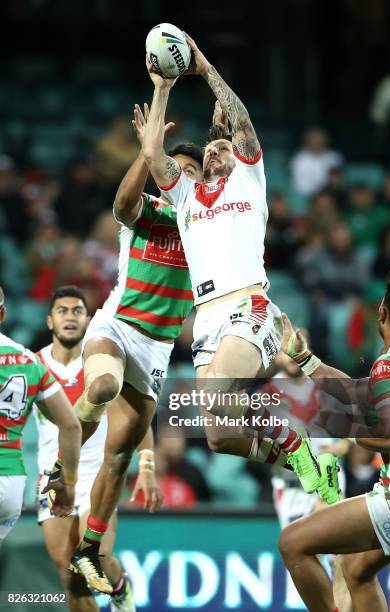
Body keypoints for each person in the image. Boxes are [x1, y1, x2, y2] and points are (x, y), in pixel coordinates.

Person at [142, 35, 338, 499]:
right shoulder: (186, 196)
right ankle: (300, 454)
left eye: (223, 149)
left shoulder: (248, 182)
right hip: (207, 317)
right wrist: (163, 86)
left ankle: (296, 441)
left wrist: (204, 67)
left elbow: (242, 119)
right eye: (211, 150)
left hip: (248, 306)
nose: (214, 152)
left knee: (214, 401)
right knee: (218, 436)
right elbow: (152, 155)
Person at [68, 105, 203, 593]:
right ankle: (61, 468)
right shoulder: (151, 207)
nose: (180, 176)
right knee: (102, 384)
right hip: (118, 325)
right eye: (177, 168)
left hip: (158, 349)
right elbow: (121, 208)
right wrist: (148, 154)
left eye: (191, 173)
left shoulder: (207, 227)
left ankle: (90, 549)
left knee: (120, 453)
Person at [278, 269, 390, 612]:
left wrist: (350, 430)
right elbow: (354, 391)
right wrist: (307, 360)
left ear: (382, 313)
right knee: (357, 568)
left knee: (293, 542)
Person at [34, 286, 161, 611]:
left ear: (88, 320)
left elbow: (137, 421)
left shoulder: (103, 365)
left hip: (97, 477)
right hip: (55, 477)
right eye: (62, 311)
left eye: (77, 310)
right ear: (50, 321)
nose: (70, 317)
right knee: (68, 574)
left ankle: (119, 590)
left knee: (98, 557)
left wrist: (146, 467)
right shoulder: (34, 366)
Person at [0, 285, 81, 543]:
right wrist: (67, 483)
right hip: (12, 482)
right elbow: (71, 426)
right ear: (3, 315)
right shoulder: (30, 360)